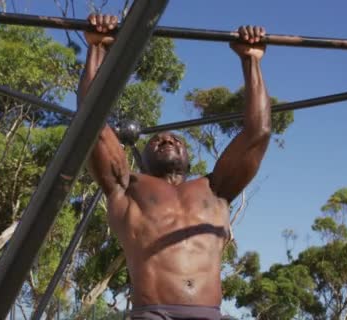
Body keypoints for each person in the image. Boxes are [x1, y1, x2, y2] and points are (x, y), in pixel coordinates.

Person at [79, 13, 271, 320]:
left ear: (188, 156)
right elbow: (92, 123)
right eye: (157, 140)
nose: (167, 139)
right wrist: (97, 48)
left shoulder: (217, 188)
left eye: (175, 139)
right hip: (153, 314)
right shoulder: (126, 188)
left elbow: (257, 133)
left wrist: (251, 61)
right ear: (142, 155)